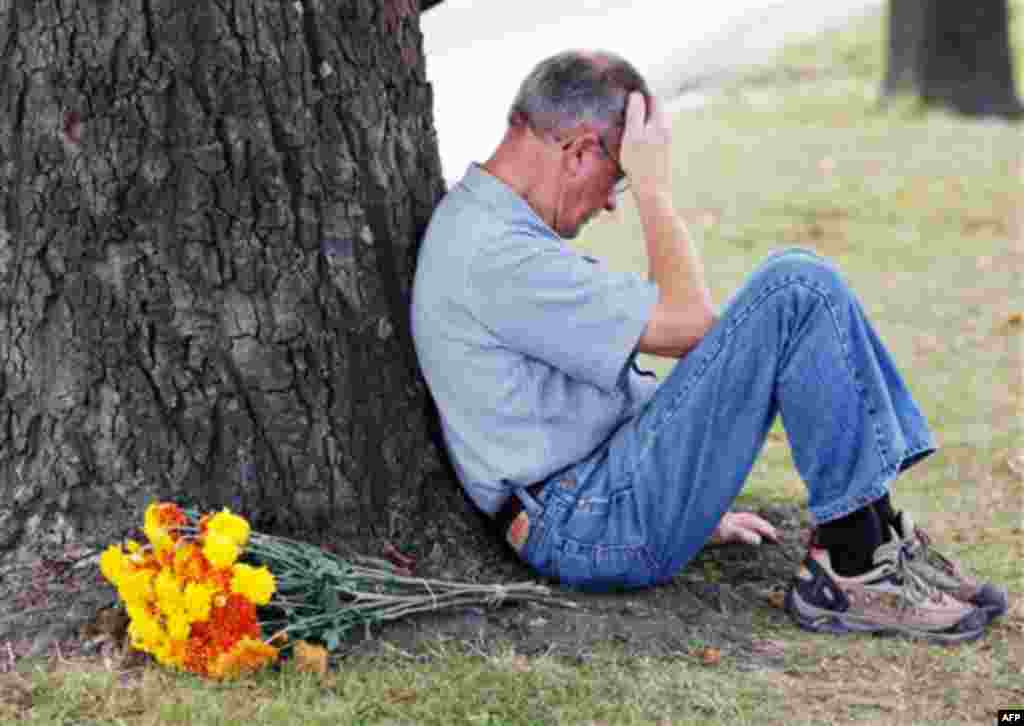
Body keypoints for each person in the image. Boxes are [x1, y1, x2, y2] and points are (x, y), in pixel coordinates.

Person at [410, 50, 1007, 642]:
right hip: (584, 524)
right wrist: (655, 191)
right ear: (580, 151)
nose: (614, 201)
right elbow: (691, 323)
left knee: (801, 280)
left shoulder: (492, 225)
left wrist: (685, 494)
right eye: (617, 178)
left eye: (627, 185)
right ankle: (854, 564)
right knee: (795, 288)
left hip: (599, 497)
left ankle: (875, 542)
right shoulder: (491, 252)